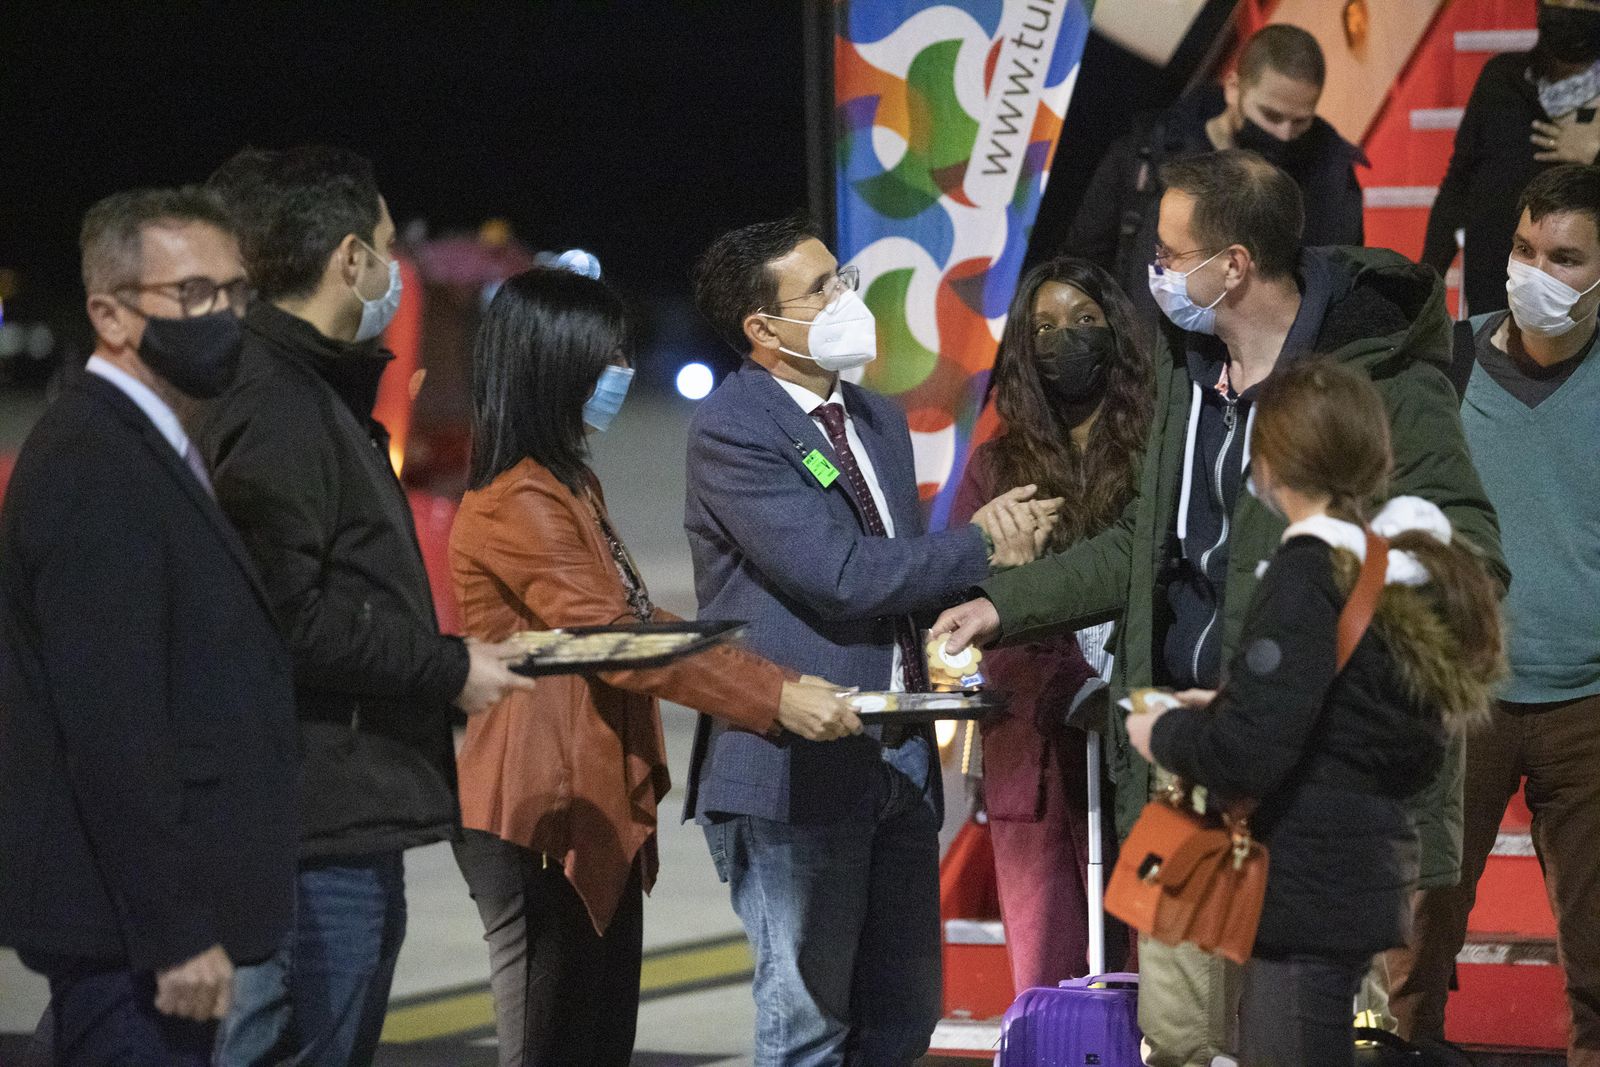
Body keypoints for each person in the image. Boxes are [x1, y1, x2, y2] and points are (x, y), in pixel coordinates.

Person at [933, 149, 1507, 1067]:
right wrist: (1002, 605)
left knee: (1302, 1035)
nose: (1151, 273)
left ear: (1233, 264)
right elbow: (1138, 542)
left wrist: (1325, 626)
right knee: (1181, 1034)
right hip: (1191, 776)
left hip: (1312, 789)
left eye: (1168, 251)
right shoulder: (1187, 368)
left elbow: (1467, 554)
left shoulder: (1380, 379)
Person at [448, 266, 863, 1067]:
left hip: (586, 798)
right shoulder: (517, 502)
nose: (622, 372)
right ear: (551, 364)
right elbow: (622, 642)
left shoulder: (570, 485)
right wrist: (773, 695)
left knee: (597, 1042)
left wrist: (772, 676)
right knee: (553, 1046)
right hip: (542, 811)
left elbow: (639, 619)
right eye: (604, 355)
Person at [684, 216, 1059, 1066]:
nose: (845, 297)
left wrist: (989, 580)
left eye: (841, 278)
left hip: (897, 756)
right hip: (794, 762)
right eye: (819, 289)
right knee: (810, 1022)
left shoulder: (876, 420)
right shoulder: (733, 429)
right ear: (762, 329)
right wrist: (981, 543)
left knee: (902, 1014)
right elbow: (841, 574)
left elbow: (898, 577)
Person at [195, 146, 535, 1067]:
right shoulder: (277, 404)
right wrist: (449, 666)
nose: (394, 270)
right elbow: (288, 613)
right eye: (384, 247)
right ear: (348, 258)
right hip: (309, 816)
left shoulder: (308, 393)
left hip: (339, 804)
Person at [1125, 359, 1504, 1067]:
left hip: (1305, 887)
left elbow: (1251, 751)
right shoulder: (1382, 569)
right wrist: (1243, 704)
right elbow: (1377, 726)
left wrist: (1163, 731)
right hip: (1361, 873)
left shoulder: (1306, 574)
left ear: (1267, 464)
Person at [0, 187, 298, 1066]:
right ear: (111, 314)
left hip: (144, 928)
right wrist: (174, 930)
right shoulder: (95, 462)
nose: (226, 317)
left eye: (237, 293)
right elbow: (113, 726)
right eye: (196, 295)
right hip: (130, 942)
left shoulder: (150, 443)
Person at [1390, 165, 1600, 1067]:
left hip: (1588, 706)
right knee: (1416, 945)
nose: (1534, 270)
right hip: (1459, 698)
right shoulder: (1446, 358)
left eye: (1564, 257)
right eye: (1523, 249)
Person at [947, 256, 1151, 988]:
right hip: (1034, 750)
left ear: (1118, 334)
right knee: (1049, 974)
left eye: (1085, 322)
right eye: (1044, 328)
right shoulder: (997, 466)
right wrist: (1066, 685)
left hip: (1142, 744)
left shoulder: (1156, 452)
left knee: (1149, 981)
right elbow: (979, 612)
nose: (1065, 339)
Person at [1066, 23, 1364, 325]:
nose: (1284, 134)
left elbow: (1338, 288)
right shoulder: (1146, 154)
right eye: (1271, 116)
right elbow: (1084, 262)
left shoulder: (1331, 184)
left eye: (1300, 122)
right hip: (1141, 350)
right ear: (1233, 88)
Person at [1423, 0, 1600, 316]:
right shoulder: (1501, 77)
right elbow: (1459, 183)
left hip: (1580, 303)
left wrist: (1594, 153)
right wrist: (1427, 278)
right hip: (1495, 289)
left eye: (1586, 2)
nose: (1571, 8)